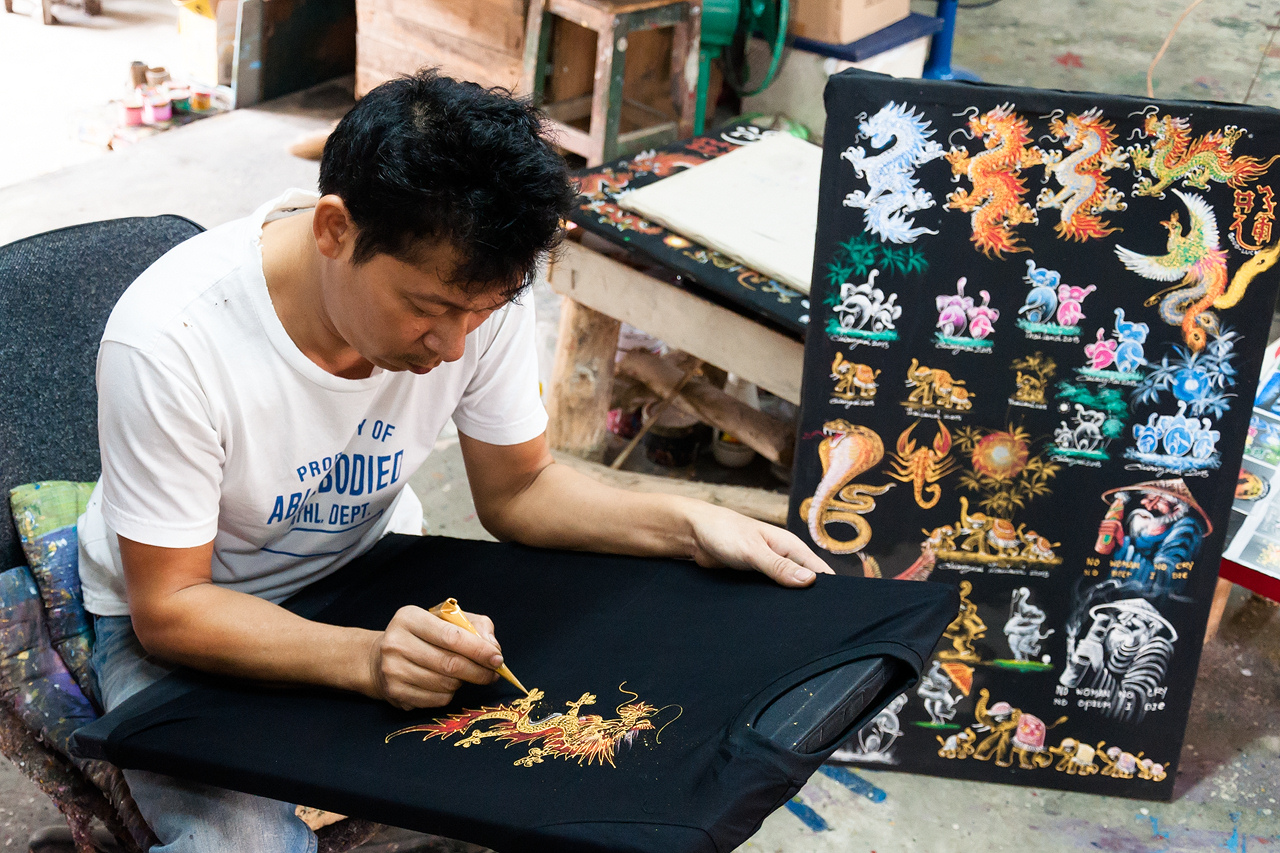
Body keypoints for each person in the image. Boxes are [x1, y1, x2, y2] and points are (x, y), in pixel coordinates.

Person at [76, 69, 833, 851]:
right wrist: (367, 657)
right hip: (200, 614)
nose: (453, 347)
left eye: (480, 314)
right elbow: (172, 608)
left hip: (371, 570)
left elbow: (521, 488)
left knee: (590, 759)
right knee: (242, 844)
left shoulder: (471, 290)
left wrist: (691, 525)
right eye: (428, 309)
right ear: (334, 230)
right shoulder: (171, 341)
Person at [1093, 478, 1209, 596]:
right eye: (1149, 497)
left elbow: (1163, 582)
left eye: (1162, 501)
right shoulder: (1134, 529)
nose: (1150, 505)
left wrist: (1122, 543)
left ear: (1176, 510)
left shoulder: (1186, 530)